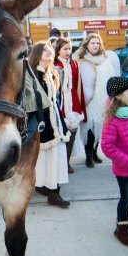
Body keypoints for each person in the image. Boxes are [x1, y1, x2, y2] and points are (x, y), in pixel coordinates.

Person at [100, 76, 128, 247]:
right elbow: (107, 146)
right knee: (126, 198)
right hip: (125, 170)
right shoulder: (112, 119)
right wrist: (126, 161)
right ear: (118, 95)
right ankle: (122, 227)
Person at [29, 41, 71, 208]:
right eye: (44, 50)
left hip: (55, 120)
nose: (49, 52)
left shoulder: (52, 73)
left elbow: (55, 100)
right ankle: (49, 189)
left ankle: (53, 190)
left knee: (57, 155)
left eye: (50, 50)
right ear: (37, 54)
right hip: (41, 120)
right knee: (45, 157)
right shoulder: (32, 75)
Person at [75, 33, 120, 168]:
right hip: (89, 99)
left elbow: (111, 78)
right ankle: (88, 154)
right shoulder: (80, 60)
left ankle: (95, 152)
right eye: (93, 43)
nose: (95, 45)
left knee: (100, 125)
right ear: (87, 45)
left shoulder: (106, 59)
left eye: (97, 43)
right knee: (89, 125)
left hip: (102, 98)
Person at [54, 37, 85, 174]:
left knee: (72, 131)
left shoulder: (74, 64)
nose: (68, 51)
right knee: (59, 133)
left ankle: (66, 162)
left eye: (70, 49)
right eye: (65, 49)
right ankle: (58, 163)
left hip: (72, 100)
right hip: (59, 101)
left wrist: (80, 105)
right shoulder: (54, 64)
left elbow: (78, 85)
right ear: (58, 50)